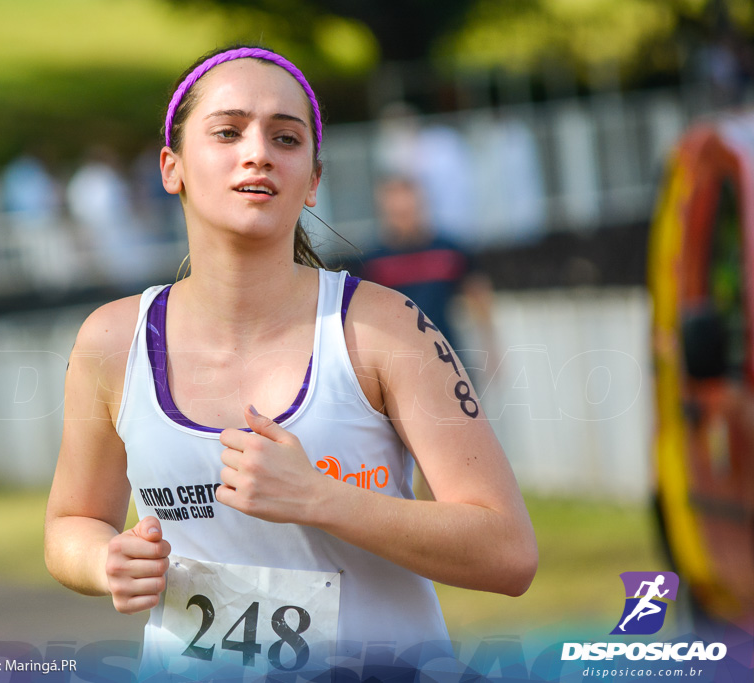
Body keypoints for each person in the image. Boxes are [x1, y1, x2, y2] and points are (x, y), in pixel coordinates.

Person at [44, 45, 537, 679]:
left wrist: (321, 498)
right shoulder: (112, 340)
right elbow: (70, 521)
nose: (258, 152)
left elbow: (508, 551)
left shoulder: (383, 327)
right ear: (172, 168)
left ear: (312, 180)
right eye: (227, 131)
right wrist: (104, 561)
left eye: (286, 137)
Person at [359, 174, 495, 356]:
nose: (404, 220)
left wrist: (490, 344)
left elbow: (478, 292)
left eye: (408, 211)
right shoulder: (373, 262)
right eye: (397, 214)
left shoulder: (448, 251)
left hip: (448, 351)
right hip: (398, 357)